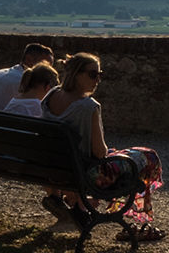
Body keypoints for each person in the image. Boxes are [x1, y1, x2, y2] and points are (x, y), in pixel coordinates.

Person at [39, 53, 162, 236]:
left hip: (55, 168)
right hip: (85, 174)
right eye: (92, 74)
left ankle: (80, 205)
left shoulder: (50, 96)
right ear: (76, 74)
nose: (98, 80)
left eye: (100, 74)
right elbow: (99, 152)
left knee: (121, 154)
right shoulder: (88, 107)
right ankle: (84, 206)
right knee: (148, 156)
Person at [0, 42, 54, 110]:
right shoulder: (22, 82)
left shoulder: (5, 72)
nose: (49, 69)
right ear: (29, 59)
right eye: (46, 65)